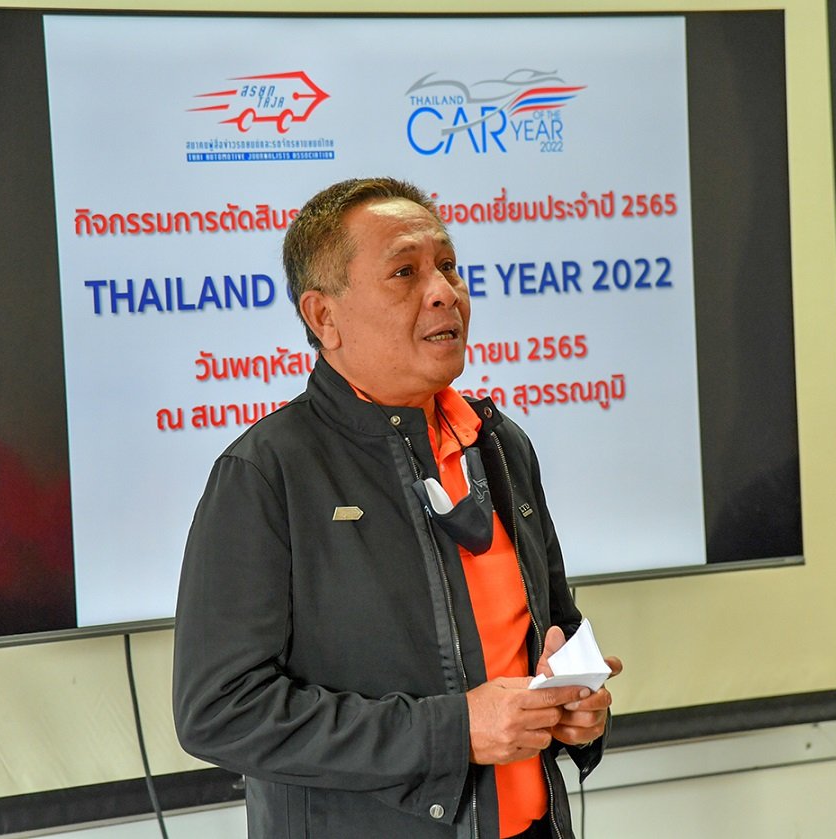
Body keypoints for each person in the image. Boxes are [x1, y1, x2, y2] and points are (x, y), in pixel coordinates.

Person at [173, 176, 620, 838]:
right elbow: (220, 711)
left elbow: (554, 628)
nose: (443, 291)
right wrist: (452, 731)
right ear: (324, 318)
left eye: (448, 266)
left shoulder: (501, 446)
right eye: (405, 272)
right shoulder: (266, 472)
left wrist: (578, 707)